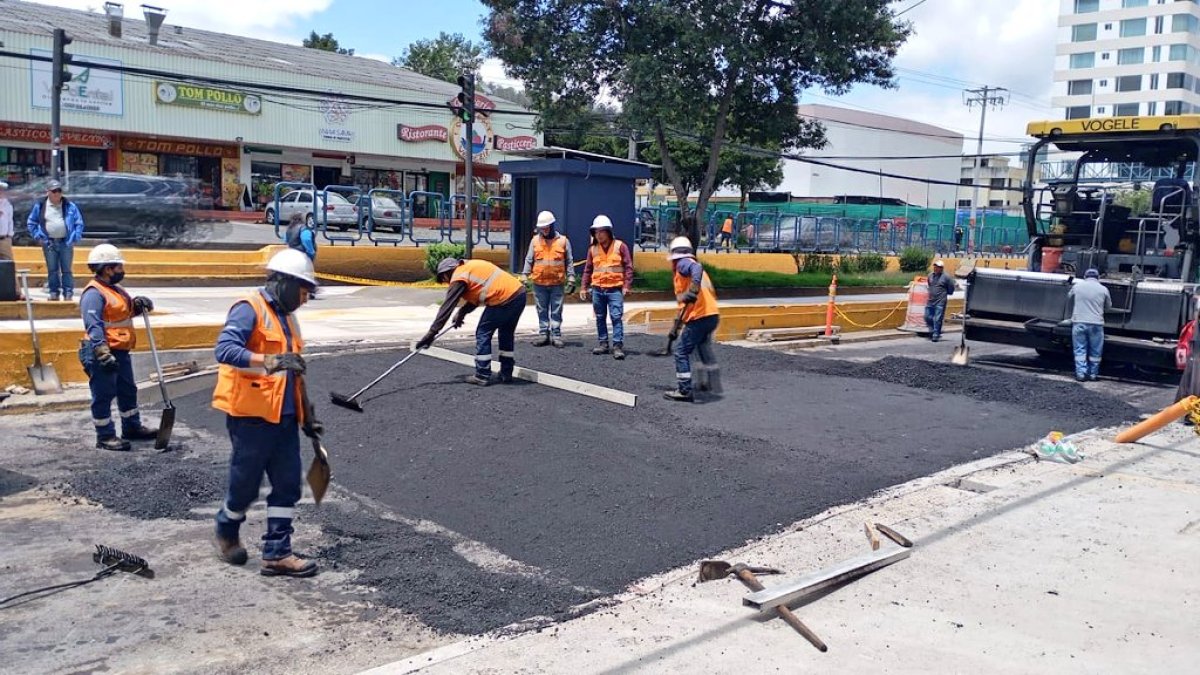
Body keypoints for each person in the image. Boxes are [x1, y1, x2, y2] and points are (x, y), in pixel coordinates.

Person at [212, 248, 320, 577]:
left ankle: (277, 552)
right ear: (283, 282)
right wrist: (268, 361)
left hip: (285, 416)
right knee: (245, 485)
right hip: (251, 416)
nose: (304, 299)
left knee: (288, 484)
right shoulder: (249, 309)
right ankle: (226, 529)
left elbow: (295, 369)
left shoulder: (288, 317)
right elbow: (225, 349)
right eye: (302, 291)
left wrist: (308, 413)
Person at [78, 244, 158, 452]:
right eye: (119, 267)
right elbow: (94, 324)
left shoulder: (116, 290)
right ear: (108, 269)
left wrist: (138, 306)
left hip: (120, 349)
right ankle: (105, 436)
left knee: (127, 389)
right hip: (101, 350)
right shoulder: (93, 293)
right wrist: (101, 351)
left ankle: (131, 427)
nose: (122, 270)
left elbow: (121, 314)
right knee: (104, 393)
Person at [417, 257, 527, 386]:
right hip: (519, 294)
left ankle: (482, 374)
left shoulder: (459, 276)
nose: (447, 283)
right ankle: (506, 373)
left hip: (503, 299)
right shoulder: (470, 268)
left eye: (444, 279)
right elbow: (480, 293)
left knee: (483, 332)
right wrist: (462, 313)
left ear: (447, 272)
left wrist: (432, 332)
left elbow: (447, 306)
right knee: (506, 333)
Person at [663, 236, 721, 403]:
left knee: (681, 352)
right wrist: (676, 327)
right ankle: (709, 383)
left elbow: (697, 268)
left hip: (699, 316)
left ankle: (684, 390)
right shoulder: (688, 274)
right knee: (701, 348)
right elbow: (685, 305)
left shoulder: (683, 264)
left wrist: (694, 287)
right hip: (710, 316)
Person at [580, 215, 634, 360]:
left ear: (608, 232)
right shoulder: (593, 250)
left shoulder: (620, 246)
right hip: (598, 289)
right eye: (596, 232)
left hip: (614, 289)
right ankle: (603, 344)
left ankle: (617, 346)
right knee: (600, 317)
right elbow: (588, 269)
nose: (598, 235)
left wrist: (627, 285)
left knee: (616, 317)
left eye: (601, 232)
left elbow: (629, 267)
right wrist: (583, 287)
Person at [520, 210, 575, 348]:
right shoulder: (535, 241)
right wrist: (524, 275)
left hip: (557, 282)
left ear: (552, 225)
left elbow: (569, 261)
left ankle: (556, 334)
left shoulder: (563, 241)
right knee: (541, 309)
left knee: (556, 309)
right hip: (539, 283)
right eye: (542, 228)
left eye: (546, 227)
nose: (544, 230)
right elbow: (529, 259)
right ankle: (543, 333)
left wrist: (572, 277)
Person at [27, 180, 85, 301]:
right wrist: (38, 237)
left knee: (67, 270)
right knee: (52, 270)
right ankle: (54, 292)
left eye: (59, 191)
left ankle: (68, 293)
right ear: (47, 192)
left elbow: (78, 222)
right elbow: (31, 222)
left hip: (66, 242)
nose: (57, 194)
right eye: (54, 191)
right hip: (49, 243)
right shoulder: (40, 205)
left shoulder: (70, 205)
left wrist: (75, 237)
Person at [1066, 268, 1112, 382]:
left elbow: (1068, 297)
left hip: (1079, 322)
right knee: (1095, 351)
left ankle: (1081, 374)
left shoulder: (1077, 286)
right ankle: (1093, 375)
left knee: (1080, 350)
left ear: (1085, 277)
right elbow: (1109, 307)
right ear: (1098, 277)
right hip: (1096, 323)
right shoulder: (1103, 289)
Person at [924, 259, 956, 342]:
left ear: (942, 268)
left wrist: (946, 294)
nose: (936, 268)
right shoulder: (930, 276)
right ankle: (933, 330)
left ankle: (936, 334)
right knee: (927, 317)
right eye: (935, 266)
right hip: (930, 301)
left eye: (938, 267)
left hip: (940, 301)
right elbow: (929, 284)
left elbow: (951, 288)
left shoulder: (946, 277)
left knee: (938, 318)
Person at [0, 181, 13, 261]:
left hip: (4, 239)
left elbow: (10, 221)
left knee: (8, 263)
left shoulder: (8, 205)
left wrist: (9, 235)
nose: (1, 191)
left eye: (2, 190)